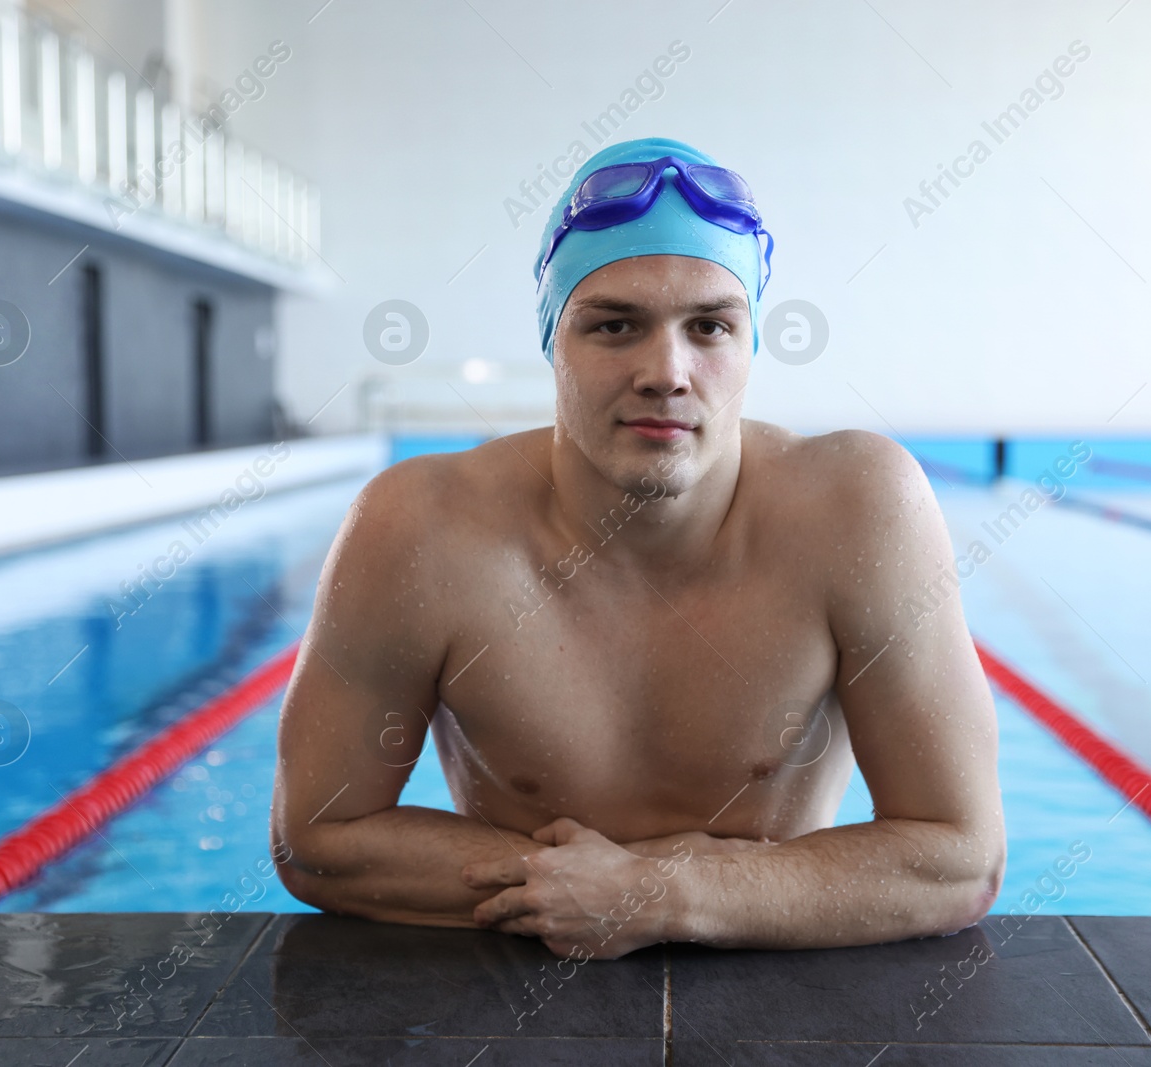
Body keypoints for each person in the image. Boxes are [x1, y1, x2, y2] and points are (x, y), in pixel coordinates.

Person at [271, 136, 1004, 960]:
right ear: (553, 340)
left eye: (710, 327)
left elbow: (959, 859)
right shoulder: (420, 528)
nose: (667, 370)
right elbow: (318, 837)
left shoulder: (859, 508)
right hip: (512, 1003)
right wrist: (582, 892)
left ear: (752, 345)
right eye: (615, 325)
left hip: (775, 1003)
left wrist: (654, 895)